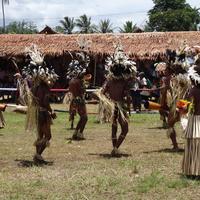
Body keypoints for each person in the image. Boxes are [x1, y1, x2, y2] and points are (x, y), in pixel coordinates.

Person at [99, 44, 137, 156]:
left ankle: (115, 148)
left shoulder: (109, 81)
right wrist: (129, 107)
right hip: (119, 106)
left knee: (114, 126)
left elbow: (102, 92)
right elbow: (127, 96)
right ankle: (115, 148)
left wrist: (106, 102)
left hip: (111, 106)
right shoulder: (124, 82)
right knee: (125, 129)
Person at [23, 44, 58, 163]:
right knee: (47, 136)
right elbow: (45, 102)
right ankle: (38, 155)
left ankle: (37, 156)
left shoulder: (35, 87)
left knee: (40, 136)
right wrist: (51, 111)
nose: (52, 83)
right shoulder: (44, 88)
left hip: (37, 112)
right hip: (43, 113)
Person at [66, 52, 90, 140]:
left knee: (82, 117)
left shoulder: (72, 80)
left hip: (74, 100)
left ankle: (76, 132)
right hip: (79, 100)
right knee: (85, 117)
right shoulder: (78, 81)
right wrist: (84, 87)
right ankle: (80, 133)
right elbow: (82, 91)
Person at [182, 64, 200, 177]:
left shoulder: (193, 91)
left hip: (196, 121)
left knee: (193, 146)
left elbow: (186, 107)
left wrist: (179, 110)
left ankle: (194, 170)